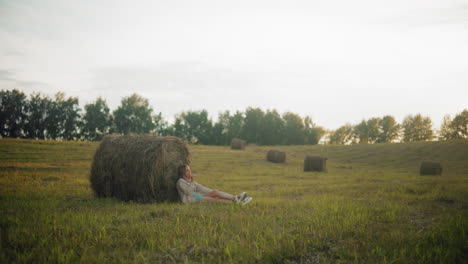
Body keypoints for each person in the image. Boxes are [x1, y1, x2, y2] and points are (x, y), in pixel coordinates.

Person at [176, 164, 252, 205]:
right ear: (182, 172)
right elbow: (188, 192)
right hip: (191, 201)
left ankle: (237, 199)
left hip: (197, 197)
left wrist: (212, 191)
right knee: (215, 200)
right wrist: (190, 182)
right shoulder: (180, 182)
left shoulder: (191, 181)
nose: (189, 172)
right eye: (187, 170)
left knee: (215, 193)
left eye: (189, 170)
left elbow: (201, 188)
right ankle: (238, 200)